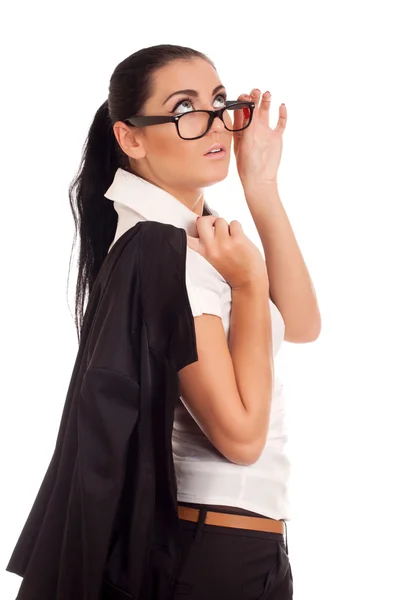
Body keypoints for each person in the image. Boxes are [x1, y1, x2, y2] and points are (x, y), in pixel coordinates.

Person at [68, 43, 320, 598]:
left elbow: (301, 323)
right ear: (130, 137)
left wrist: (261, 187)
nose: (214, 125)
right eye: (185, 110)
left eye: (218, 102)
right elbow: (241, 437)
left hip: (234, 541)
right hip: (212, 547)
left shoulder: (191, 238)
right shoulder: (170, 255)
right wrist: (250, 285)